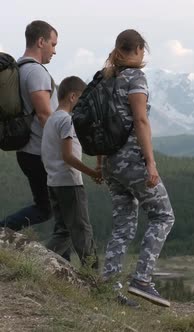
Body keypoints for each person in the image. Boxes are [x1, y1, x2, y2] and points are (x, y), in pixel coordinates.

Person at [100, 29, 174, 307]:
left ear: (118, 48)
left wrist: (100, 163)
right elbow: (141, 121)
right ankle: (142, 279)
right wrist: (151, 162)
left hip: (110, 164)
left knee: (123, 226)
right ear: (140, 49)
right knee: (163, 216)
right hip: (132, 162)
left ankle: (108, 288)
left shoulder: (105, 80)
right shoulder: (135, 78)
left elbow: (100, 124)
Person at [1, 20, 58, 231]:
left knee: (54, 207)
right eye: (53, 44)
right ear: (41, 42)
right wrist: (62, 146)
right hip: (38, 151)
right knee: (47, 208)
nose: (54, 51)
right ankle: (3, 230)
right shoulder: (36, 72)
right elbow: (44, 114)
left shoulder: (19, 67)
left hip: (26, 150)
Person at [41, 76, 101, 271]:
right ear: (73, 97)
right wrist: (92, 172)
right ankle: (94, 279)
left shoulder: (51, 120)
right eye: (81, 100)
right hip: (69, 182)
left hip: (53, 182)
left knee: (63, 231)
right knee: (82, 230)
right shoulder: (67, 121)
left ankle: (37, 263)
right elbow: (68, 156)